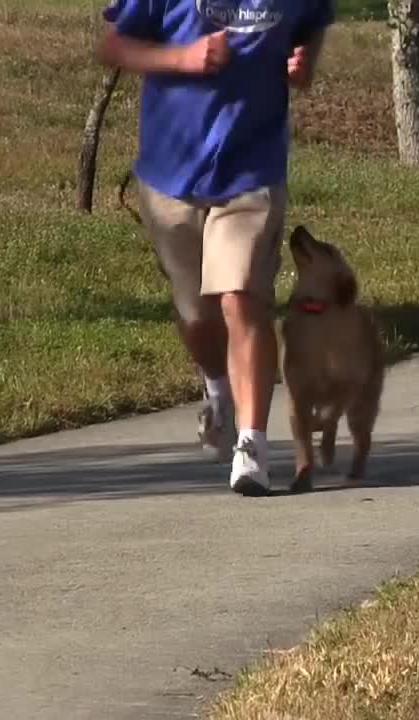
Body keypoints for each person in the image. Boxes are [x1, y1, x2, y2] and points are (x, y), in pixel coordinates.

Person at [95, 0, 332, 495]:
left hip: (252, 170)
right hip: (171, 176)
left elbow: (311, 22)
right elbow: (115, 46)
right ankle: (218, 388)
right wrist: (184, 59)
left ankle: (253, 446)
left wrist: (304, 58)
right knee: (199, 318)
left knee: (242, 298)